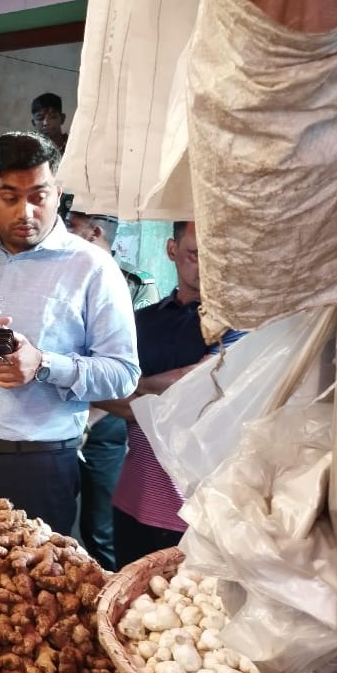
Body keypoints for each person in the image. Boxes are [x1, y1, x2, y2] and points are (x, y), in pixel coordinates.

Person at [0, 132, 139, 533]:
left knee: (24, 592)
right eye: (10, 197)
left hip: (36, 468)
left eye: (39, 195)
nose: (26, 212)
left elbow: (122, 374)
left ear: (59, 192)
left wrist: (44, 364)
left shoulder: (94, 269)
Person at [101, 221, 244, 568]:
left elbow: (207, 382)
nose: (205, 265)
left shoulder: (236, 323)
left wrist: (137, 388)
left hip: (196, 509)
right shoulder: (141, 322)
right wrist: (158, 396)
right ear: (172, 251)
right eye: (195, 254)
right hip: (134, 495)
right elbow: (103, 391)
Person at [64, 209, 158, 569]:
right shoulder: (63, 276)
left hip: (104, 423)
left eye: (72, 226)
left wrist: (90, 418)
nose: (64, 230)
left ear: (95, 232)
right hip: (60, 418)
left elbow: (131, 370)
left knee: (99, 528)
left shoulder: (134, 285)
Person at [66, 211, 158, 309]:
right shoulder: (66, 275)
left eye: (71, 226)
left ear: (95, 233)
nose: (65, 233)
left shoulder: (137, 286)